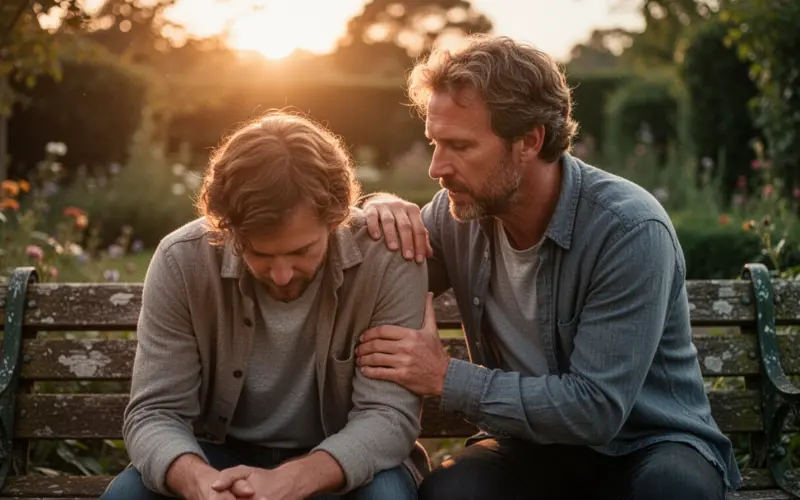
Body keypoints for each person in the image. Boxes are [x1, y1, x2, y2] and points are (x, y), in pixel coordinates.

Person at [354, 34, 742, 499]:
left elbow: (595, 410)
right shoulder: (456, 214)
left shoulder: (629, 229)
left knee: (672, 492)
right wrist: (377, 205)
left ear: (529, 141)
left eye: (459, 145)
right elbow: (377, 272)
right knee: (453, 491)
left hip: (648, 442)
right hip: (529, 447)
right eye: (435, 143)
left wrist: (444, 376)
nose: (437, 168)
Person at [100, 111, 429, 500]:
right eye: (259, 253)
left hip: (344, 460)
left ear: (336, 217)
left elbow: (388, 416)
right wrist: (202, 485)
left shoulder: (387, 257)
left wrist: (290, 481)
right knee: (127, 495)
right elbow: (154, 414)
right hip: (216, 457)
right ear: (227, 228)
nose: (282, 275)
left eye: (301, 251)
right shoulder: (181, 260)